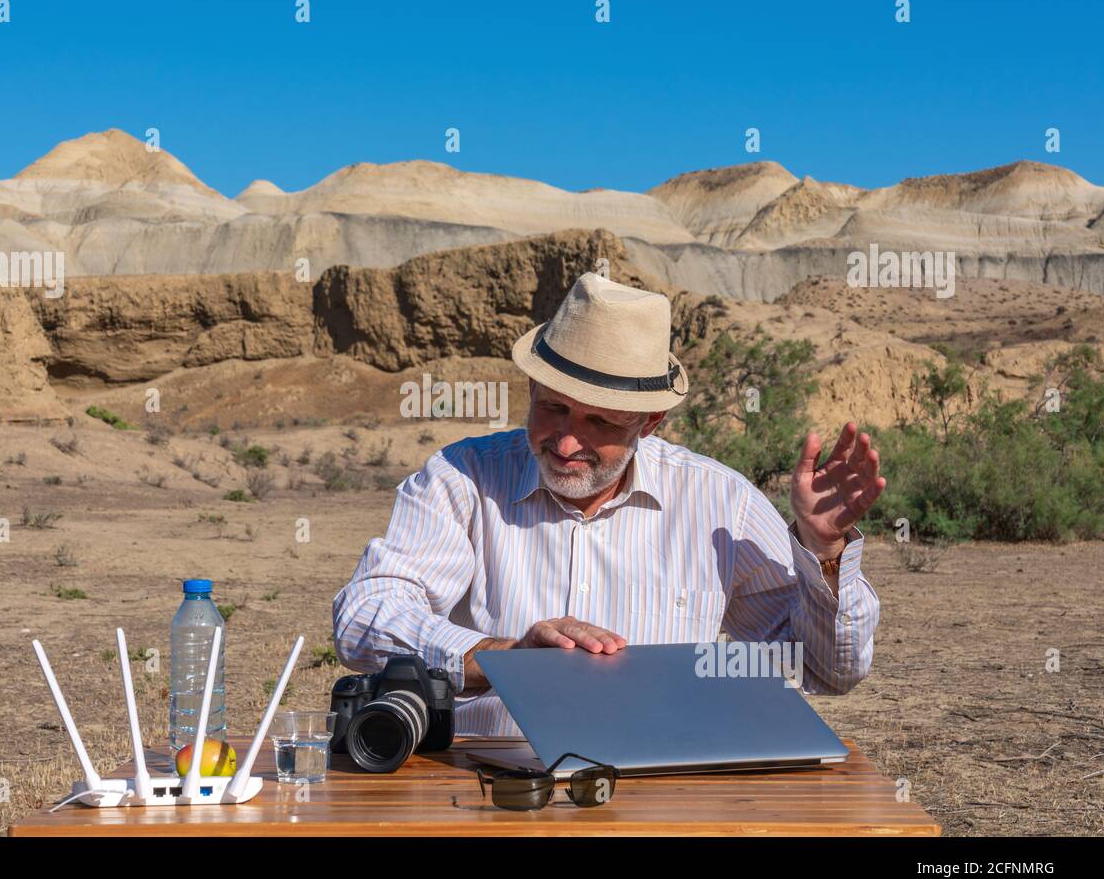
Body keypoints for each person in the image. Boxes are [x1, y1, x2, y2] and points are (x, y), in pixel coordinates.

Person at [332, 272, 886, 737]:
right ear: (529, 390)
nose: (567, 442)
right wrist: (503, 659)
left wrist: (826, 551)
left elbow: (825, 670)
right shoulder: (464, 479)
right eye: (552, 409)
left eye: (600, 420)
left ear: (650, 422)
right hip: (486, 787)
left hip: (658, 800)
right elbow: (364, 616)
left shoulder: (721, 502)